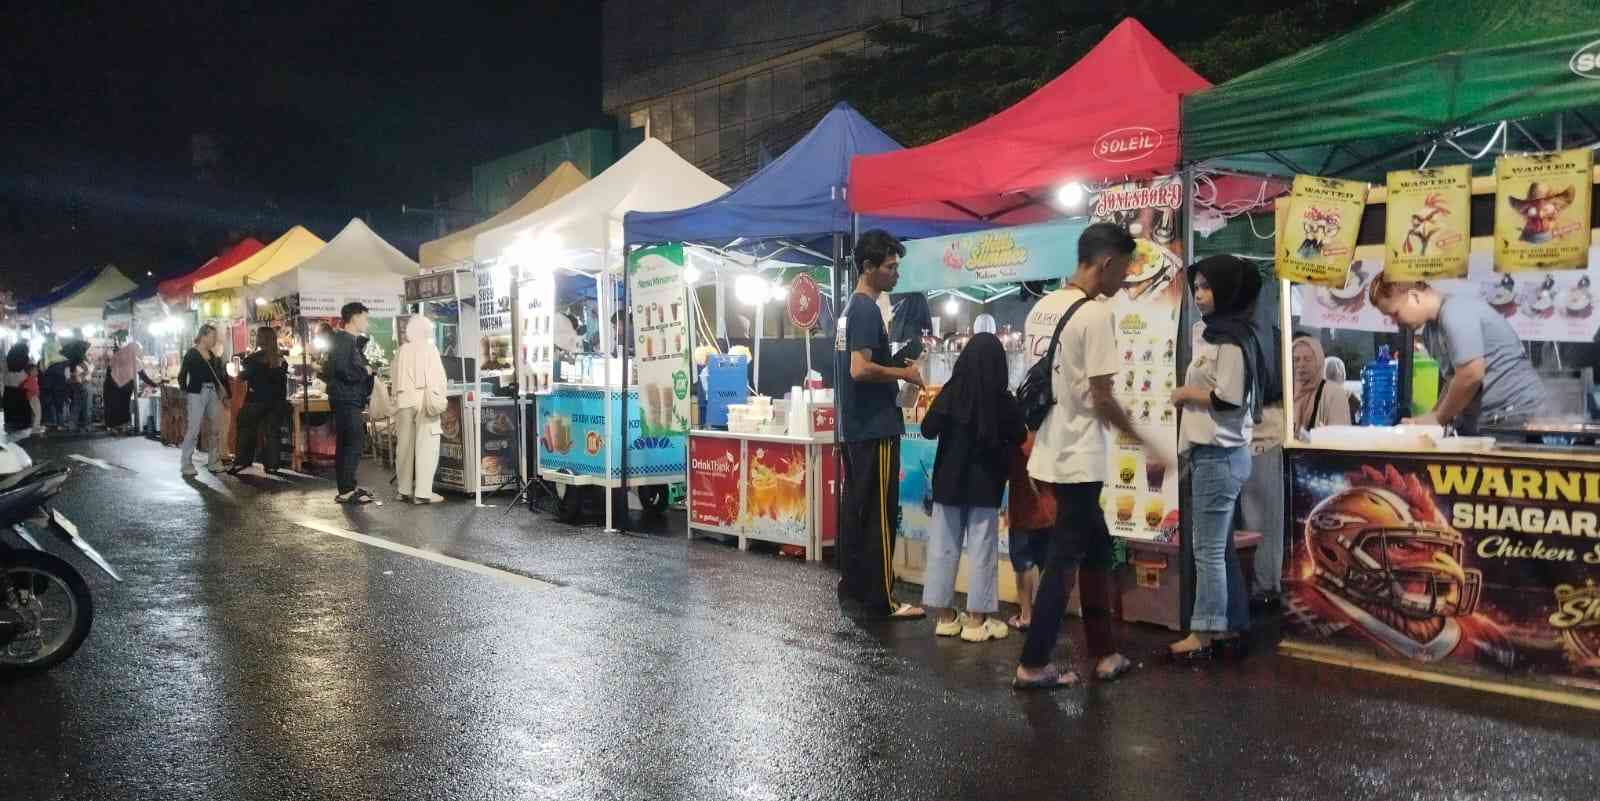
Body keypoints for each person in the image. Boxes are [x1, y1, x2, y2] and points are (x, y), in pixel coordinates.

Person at [1015, 223, 1165, 690]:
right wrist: (1144, 440)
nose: (1125, 279)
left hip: (1049, 452)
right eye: (1125, 269)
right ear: (1107, 263)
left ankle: (1105, 653)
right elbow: (1101, 396)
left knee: (1096, 549)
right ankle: (1033, 663)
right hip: (1079, 458)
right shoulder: (1096, 315)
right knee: (1064, 562)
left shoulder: (1043, 307)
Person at [1169, 255, 1268, 659]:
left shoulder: (1231, 341)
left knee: (1207, 549)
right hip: (1217, 454)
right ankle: (1230, 624)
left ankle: (1205, 633)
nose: (1199, 294)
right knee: (1220, 548)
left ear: (1227, 291)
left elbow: (1229, 398)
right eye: (1197, 287)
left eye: (1208, 287)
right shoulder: (1219, 334)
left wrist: (1185, 394)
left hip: (1218, 453)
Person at [833, 229, 926, 620]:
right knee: (880, 515)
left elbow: (857, 365)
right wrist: (903, 373)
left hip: (857, 427)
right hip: (874, 427)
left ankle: (855, 588)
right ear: (868, 267)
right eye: (890, 267)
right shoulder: (866, 309)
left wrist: (894, 366)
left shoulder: (849, 311)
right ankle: (882, 598)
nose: (896, 274)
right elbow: (859, 369)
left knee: (859, 510)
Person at [919, 332, 1024, 642]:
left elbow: (927, 429)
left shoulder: (951, 391)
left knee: (943, 548)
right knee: (982, 550)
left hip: (948, 483)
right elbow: (1020, 434)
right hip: (986, 485)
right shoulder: (1002, 399)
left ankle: (945, 617)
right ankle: (977, 622)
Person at [1369, 277, 1548, 433]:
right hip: (1492, 419)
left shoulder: (1456, 312)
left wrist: (1438, 418)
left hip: (1519, 416)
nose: (1395, 322)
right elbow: (1453, 380)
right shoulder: (1431, 331)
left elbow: (1471, 374)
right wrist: (1429, 419)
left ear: (1414, 296)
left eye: (1395, 314)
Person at [393, 315, 448, 504]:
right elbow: (439, 378)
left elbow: (394, 378)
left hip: (404, 401)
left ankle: (403, 490)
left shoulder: (401, 350)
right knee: (427, 446)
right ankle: (423, 494)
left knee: (404, 447)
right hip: (424, 401)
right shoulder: (430, 349)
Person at [1005, 430, 1055, 631]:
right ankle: (1046, 616)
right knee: (1047, 565)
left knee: (1023, 565)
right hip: (1050, 512)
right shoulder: (1051, 435)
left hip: (1021, 512)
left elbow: (1005, 470)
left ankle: (1026, 616)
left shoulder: (1017, 439)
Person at [328, 302, 376, 504]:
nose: (367, 322)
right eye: (365, 318)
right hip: (346, 399)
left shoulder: (347, 340)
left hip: (348, 399)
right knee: (352, 444)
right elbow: (342, 370)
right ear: (355, 317)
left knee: (348, 444)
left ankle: (347, 487)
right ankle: (347, 490)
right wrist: (365, 371)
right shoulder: (343, 340)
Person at [229, 327, 289, 475]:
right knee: (272, 432)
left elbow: (242, 377)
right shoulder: (281, 360)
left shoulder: (252, 359)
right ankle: (272, 465)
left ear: (260, 339)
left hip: (255, 400)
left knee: (246, 428)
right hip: (276, 402)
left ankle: (242, 461)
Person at [178, 324, 230, 476]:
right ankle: (186, 463)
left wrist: (226, 395)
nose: (215, 340)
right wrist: (186, 392)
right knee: (194, 429)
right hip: (197, 393)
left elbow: (220, 375)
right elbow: (182, 375)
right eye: (213, 336)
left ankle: (214, 461)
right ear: (203, 336)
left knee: (215, 428)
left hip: (212, 392)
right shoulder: (191, 353)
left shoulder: (212, 355)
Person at [1291, 336, 1352, 433]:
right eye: (1296, 360)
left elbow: (1340, 436)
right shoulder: (1288, 393)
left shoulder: (1334, 394)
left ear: (1318, 361)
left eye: (1307, 359)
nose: (1301, 364)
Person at [106, 331, 158, 435]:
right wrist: (155, 385)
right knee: (124, 407)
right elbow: (143, 376)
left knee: (116, 407)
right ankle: (123, 427)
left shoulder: (118, 357)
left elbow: (109, 372)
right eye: (139, 350)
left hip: (114, 387)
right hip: (125, 387)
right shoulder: (135, 360)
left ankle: (115, 427)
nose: (140, 352)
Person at [3, 343, 34, 434]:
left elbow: (4, 371)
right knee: (23, 407)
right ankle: (22, 425)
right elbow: (31, 372)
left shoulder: (8, 358)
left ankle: (10, 424)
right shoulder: (26, 359)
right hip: (22, 384)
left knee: (10, 406)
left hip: (9, 385)